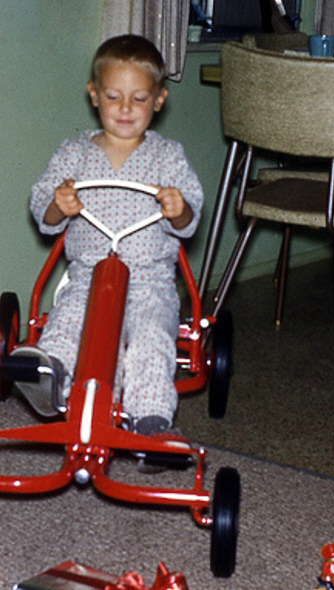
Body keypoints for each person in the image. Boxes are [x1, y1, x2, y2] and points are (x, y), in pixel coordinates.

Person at [13, 34, 203, 438]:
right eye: (114, 97)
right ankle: (51, 377)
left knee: (151, 338)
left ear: (159, 100)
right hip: (88, 274)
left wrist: (179, 208)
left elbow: (190, 219)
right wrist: (57, 204)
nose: (126, 109)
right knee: (67, 322)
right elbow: (44, 209)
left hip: (149, 280)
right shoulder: (74, 153)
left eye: (138, 99)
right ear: (94, 95)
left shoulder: (168, 156)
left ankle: (149, 417)